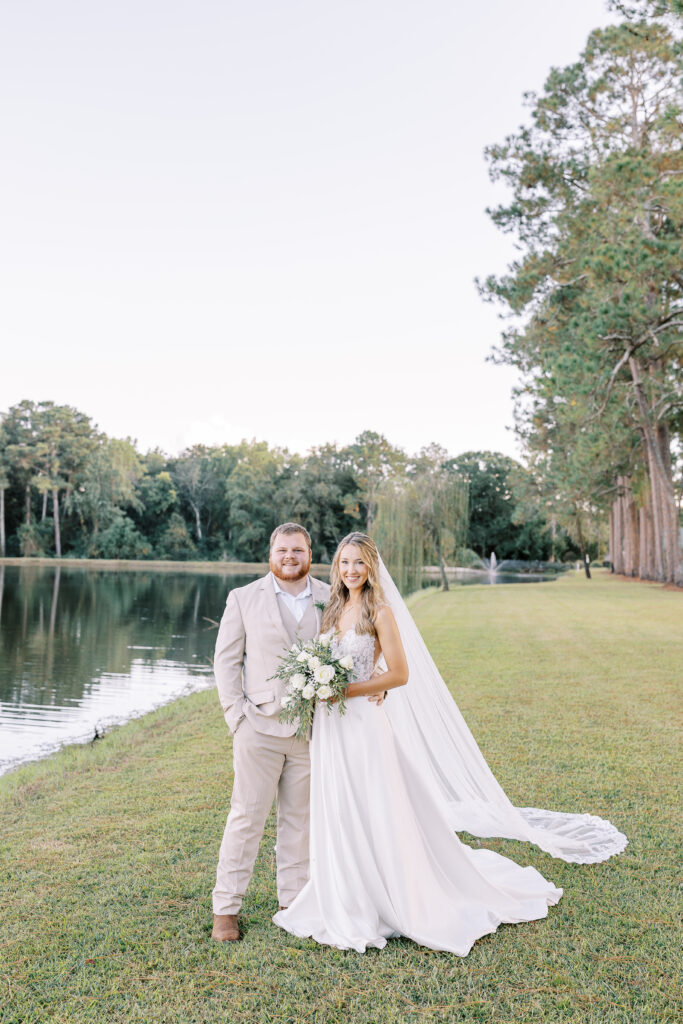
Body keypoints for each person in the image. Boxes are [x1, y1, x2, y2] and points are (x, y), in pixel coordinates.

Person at [273, 532, 627, 954]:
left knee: (375, 803)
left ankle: (389, 893)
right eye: (345, 563)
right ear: (336, 566)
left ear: (371, 567)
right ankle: (345, 889)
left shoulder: (379, 611)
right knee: (339, 804)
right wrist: (317, 684)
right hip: (332, 726)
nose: (351, 570)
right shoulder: (332, 607)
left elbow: (400, 674)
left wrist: (346, 690)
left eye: (359, 563)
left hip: (362, 723)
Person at [211, 522, 330, 942]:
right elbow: (226, 661)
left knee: (299, 822)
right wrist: (236, 718)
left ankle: (293, 903)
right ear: (271, 554)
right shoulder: (243, 598)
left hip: (311, 731)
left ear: (309, 554)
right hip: (257, 728)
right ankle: (226, 908)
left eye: (297, 550)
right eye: (282, 550)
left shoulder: (330, 598)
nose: (289, 557)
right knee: (246, 817)